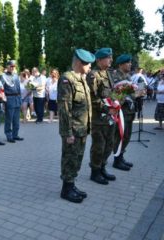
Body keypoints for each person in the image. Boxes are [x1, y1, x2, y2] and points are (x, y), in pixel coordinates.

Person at [58, 49, 95, 203]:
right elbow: (64, 109)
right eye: (89, 64)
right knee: (69, 159)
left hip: (82, 129)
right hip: (72, 130)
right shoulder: (67, 79)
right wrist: (68, 133)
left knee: (77, 158)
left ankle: (72, 185)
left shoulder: (81, 79)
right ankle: (66, 189)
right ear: (80, 63)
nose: (90, 67)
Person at [87, 48, 116, 185]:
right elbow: (92, 99)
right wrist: (107, 108)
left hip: (109, 117)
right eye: (107, 57)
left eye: (110, 57)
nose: (110, 60)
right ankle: (95, 171)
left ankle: (102, 167)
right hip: (98, 118)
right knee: (99, 145)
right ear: (99, 60)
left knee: (109, 144)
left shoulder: (108, 74)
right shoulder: (93, 75)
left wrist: (116, 104)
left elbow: (111, 94)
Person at [112, 54, 135, 171]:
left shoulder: (129, 76)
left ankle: (121, 156)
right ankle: (116, 160)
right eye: (128, 62)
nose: (130, 64)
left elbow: (131, 93)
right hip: (122, 112)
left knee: (127, 136)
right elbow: (116, 95)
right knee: (120, 136)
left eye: (130, 62)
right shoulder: (116, 76)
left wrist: (138, 94)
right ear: (121, 64)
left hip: (129, 112)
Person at [0, 60, 23, 143]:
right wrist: (3, 101)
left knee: (16, 119)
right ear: (7, 66)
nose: (13, 68)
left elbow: (18, 88)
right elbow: (1, 89)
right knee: (9, 119)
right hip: (9, 99)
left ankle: (15, 135)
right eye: (11, 66)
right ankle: (9, 136)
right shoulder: (3, 76)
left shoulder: (16, 76)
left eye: (14, 66)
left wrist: (20, 99)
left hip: (17, 98)